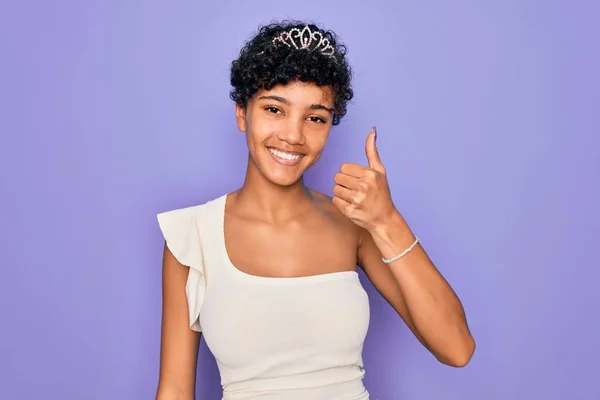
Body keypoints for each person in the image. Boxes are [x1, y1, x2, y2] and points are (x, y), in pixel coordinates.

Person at [155, 20, 475, 400]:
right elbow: (175, 390)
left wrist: (387, 220)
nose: (293, 135)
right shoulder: (192, 237)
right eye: (275, 109)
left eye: (315, 118)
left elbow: (457, 349)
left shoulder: (355, 225)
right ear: (242, 113)